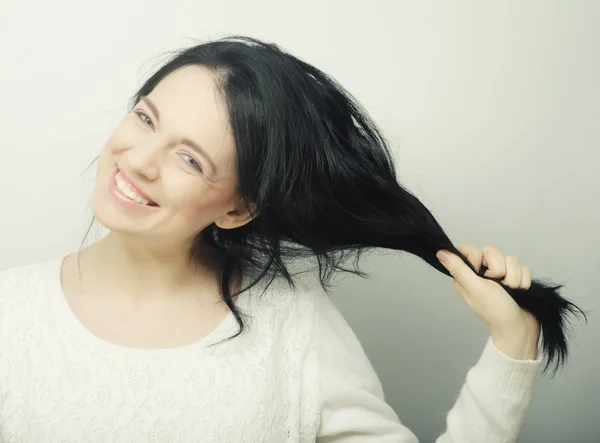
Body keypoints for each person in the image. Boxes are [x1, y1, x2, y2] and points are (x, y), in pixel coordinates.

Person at [0, 36, 543, 442]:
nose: (138, 161)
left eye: (189, 158)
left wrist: (513, 343)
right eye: (145, 118)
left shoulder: (292, 325)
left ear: (237, 209)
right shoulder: (11, 310)